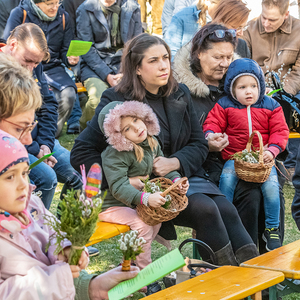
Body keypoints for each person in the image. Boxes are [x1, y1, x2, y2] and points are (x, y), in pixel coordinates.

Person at [71, 33, 259, 266]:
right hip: (149, 190)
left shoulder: (180, 92)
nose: (163, 66)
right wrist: (122, 179)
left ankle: (252, 277)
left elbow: (198, 143)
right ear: (137, 68)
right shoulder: (117, 100)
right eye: (153, 61)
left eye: (166, 58)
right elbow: (81, 153)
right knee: (207, 209)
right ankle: (229, 281)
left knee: (225, 208)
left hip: (182, 178)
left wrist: (176, 162)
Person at [172, 23, 286, 249]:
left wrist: (269, 151)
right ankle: (229, 262)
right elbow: (179, 139)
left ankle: (266, 262)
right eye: (217, 57)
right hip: (205, 167)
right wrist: (207, 143)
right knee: (247, 197)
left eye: (228, 56)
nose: (224, 63)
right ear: (199, 54)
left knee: (268, 190)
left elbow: (274, 128)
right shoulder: (182, 91)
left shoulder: (240, 82)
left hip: (250, 162)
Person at [0, 130, 139, 299]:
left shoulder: (33, 205)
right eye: (9, 177)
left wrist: (65, 247)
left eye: (25, 173)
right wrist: (59, 278)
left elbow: (53, 233)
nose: (23, 184)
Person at [98, 100, 189, 295]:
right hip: (109, 205)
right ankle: (145, 277)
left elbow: (162, 170)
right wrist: (145, 198)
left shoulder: (150, 142)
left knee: (153, 221)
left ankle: (128, 268)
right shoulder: (114, 154)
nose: (137, 128)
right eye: (127, 129)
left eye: (136, 120)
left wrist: (176, 181)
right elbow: (118, 187)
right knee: (143, 224)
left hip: (132, 200)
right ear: (118, 137)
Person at [203, 58, 289, 251]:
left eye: (253, 86)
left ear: (260, 85)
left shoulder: (271, 105)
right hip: (236, 157)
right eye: (242, 87)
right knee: (226, 181)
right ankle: (225, 219)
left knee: (272, 188)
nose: (248, 91)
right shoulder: (224, 105)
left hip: (263, 159)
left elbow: (280, 131)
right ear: (232, 89)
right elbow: (212, 123)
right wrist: (210, 135)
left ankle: (272, 228)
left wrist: (272, 150)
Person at [0, 24, 82, 211]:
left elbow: (49, 104)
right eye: (27, 61)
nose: (30, 69)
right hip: (13, 144)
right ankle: (34, 233)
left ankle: (65, 237)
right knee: (46, 178)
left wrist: (46, 144)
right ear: (13, 45)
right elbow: (7, 130)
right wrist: (36, 149)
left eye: (36, 64)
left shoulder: (32, 65)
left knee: (77, 172)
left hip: (37, 140)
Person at [4, 0, 80, 137]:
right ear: (37, 3)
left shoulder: (63, 17)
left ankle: (51, 134)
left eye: (58, 2)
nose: (55, 7)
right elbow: (7, 42)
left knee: (68, 94)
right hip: (20, 67)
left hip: (52, 67)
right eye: (50, 3)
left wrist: (69, 59)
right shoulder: (20, 13)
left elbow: (65, 49)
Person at [243, 0, 300, 180]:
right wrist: (258, 87)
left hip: (289, 89)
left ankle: (287, 162)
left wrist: (281, 93)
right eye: (264, 17)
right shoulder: (250, 29)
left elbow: (299, 71)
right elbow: (244, 65)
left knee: (286, 106)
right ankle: (262, 158)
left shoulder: (298, 31)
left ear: (286, 15)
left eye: (272, 20)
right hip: (256, 87)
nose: (266, 23)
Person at [76, 0, 142, 129]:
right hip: (94, 65)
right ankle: (86, 128)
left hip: (124, 63)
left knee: (134, 96)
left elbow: (137, 44)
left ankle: (122, 132)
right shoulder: (85, 9)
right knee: (98, 101)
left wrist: (125, 71)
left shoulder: (132, 7)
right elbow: (86, 49)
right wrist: (107, 75)